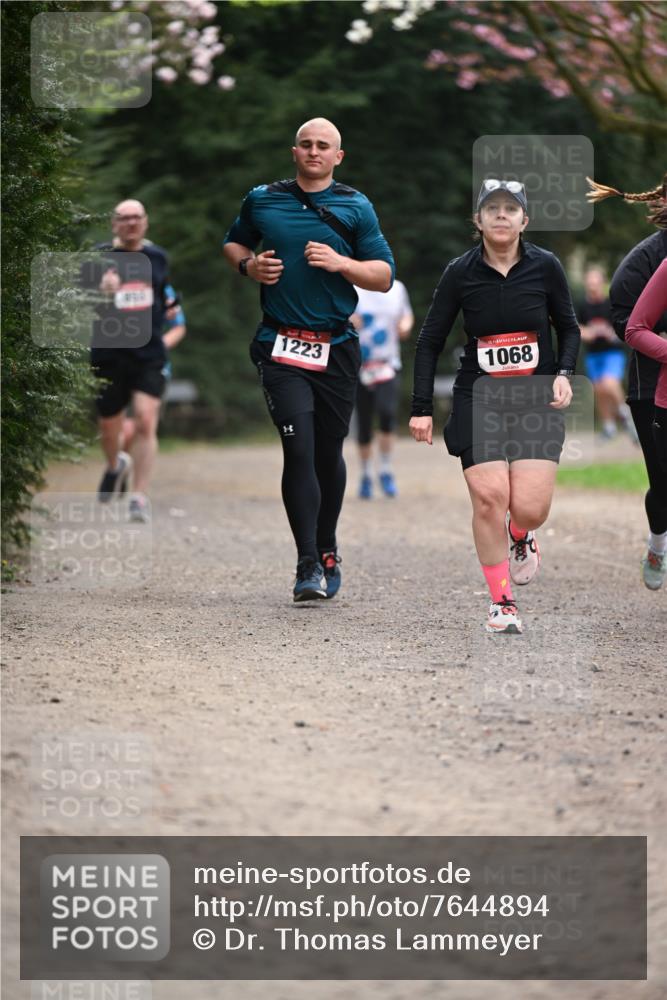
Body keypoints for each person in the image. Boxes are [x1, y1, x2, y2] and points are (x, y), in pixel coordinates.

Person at [222, 118, 395, 601]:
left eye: (324, 146)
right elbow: (233, 241)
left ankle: (327, 545)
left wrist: (343, 264)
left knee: (326, 453)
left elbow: (383, 276)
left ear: (338, 156)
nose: (314, 151)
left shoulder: (356, 206)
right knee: (298, 448)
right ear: (294, 151)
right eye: (306, 144)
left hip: (336, 345)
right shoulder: (262, 199)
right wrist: (247, 265)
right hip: (280, 345)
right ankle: (306, 565)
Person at [410, 178, 580, 634]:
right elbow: (429, 341)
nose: (501, 215)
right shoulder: (459, 273)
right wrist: (421, 406)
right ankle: (502, 603)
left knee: (528, 508)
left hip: (534, 397)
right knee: (490, 499)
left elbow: (569, 327)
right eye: (492, 208)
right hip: (478, 396)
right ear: (478, 220)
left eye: (511, 208)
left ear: (524, 220)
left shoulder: (545, 267)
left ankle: (522, 535)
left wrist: (563, 373)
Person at [587, 174, 667, 589]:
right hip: (650, 386)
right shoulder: (647, 260)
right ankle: (658, 541)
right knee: (664, 484)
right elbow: (626, 322)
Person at [91, 199, 176, 523]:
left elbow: (164, 295)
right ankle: (116, 464)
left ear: (145, 222)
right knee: (109, 426)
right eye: (123, 218)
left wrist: (170, 308)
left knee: (144, 419)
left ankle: (139, 496)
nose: (130, 223)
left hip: (149, 353)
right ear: (114, 224)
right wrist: (102, 290)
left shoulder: (158, 257)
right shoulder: (99, 256)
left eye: (136, 217)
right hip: (109, 353)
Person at [351, 280, 413, 499]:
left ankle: (385, 470)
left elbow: (406, 314)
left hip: (387, 363)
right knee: (364, 422)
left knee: (387, 413)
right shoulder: (352, 287)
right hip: (359, 365)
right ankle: (366, 474)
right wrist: (346, 321)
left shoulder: (396, 287)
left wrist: (405, 325)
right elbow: (336, 317)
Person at [121, 284, 187, 452]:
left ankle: (137, 476)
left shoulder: (164, 289)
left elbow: (178, 327)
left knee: (145, 423)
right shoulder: (113, 281)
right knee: (126, 430)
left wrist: (157, 347)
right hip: (120, 364)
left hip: (154, 367)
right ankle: (120, 469)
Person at [577, 265, 635, 441]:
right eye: (590, 282)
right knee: (599, 389)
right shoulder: (582, 305)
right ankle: (609, 426)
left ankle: (627, 417)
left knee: (610, 383)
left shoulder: (610, 303)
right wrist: (588, 333)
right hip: (593, 354)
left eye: (596, 282)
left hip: (612, 353)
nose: (593, 286)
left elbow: (622, 327)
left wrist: (611, 333)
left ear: (602, 283)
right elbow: (577, 328)